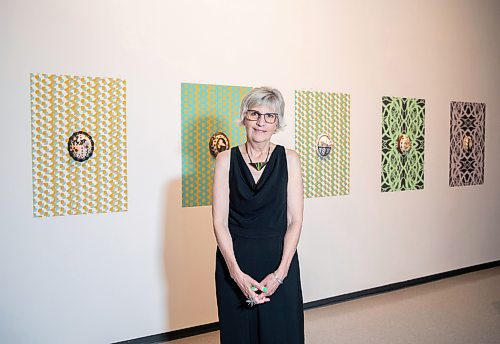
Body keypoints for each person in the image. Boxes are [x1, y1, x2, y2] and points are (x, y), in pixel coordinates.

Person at [212, 87, 305, 343]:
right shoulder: (225, 160)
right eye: (254, 114)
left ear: (278, 123)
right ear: (244, 117)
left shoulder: (290, 159)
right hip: (235, 263)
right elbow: (219, 222)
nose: (261, 122)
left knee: (281, 334)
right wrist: (236, 274)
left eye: (270, 116)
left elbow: (295, 220)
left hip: (279, 262)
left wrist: (280, 274)